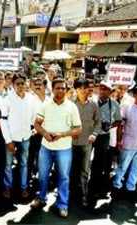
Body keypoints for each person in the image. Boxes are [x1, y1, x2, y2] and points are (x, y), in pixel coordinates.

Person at [31, 78, 82, 218]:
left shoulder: (72, 106)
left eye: (63, 88)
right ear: (52, 89)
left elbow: (78, 129)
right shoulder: (45, 105)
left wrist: (62, 134)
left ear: (66, 90)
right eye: (58, 88)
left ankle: (63, 204)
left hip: (64, 148)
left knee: (64, 177)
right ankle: (41, 198)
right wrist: (45, 134)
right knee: (42, 175)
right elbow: (37, 124)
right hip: (46, 147)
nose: (60, 90)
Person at [0, 73, 37, 200]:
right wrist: (8, 140)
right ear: (13, 85)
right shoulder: (7, 99)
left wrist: (32, 129)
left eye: (22, 83)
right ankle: (7, 187)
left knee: (24, 164)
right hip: (11, 138)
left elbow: (33, 117)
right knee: (8, 164)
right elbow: (3, 120)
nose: (20, 86)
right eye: (18, 84)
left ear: (26, 83)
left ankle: (23, 188)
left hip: (25, 137)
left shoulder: (31, 99)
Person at [89, 80, 122, 204]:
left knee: (99, 161)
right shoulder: (91, 101)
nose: (102, 91)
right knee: (84, 158)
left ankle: (94, 186)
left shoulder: (114, 104)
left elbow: (119, 120)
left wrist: (110, 125)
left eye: (105, 89)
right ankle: (80, 184)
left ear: (110, 91)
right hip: (90, 134)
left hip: (104, 136)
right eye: (101, 88)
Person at [71, 78, 101, 207]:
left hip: (87, 143)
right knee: (71, 170)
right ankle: (70, 194)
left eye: (85, 88)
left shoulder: (93, 105)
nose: (83, 91)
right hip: (71, 143)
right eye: (80, 88)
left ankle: (84, 195)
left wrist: (94, 134)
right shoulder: (70, 104)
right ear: (75, 90)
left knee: (84, 170)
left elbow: (98, 122)